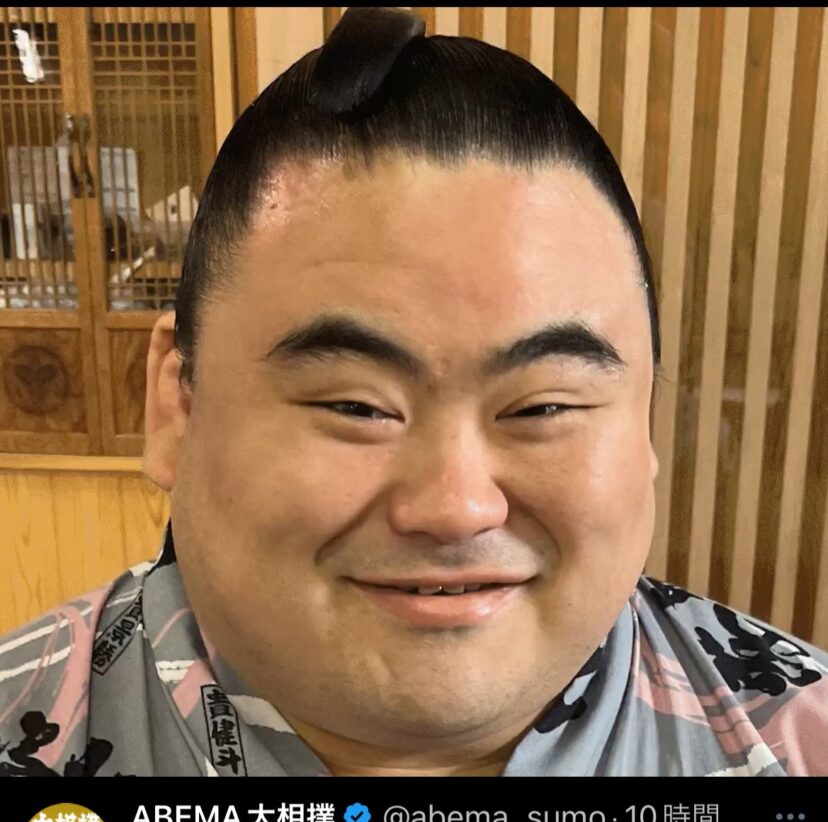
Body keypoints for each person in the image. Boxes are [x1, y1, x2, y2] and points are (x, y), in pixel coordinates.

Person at [1, 7, 826, 778]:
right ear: (177, 405)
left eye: (543, 407)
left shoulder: (797, 737)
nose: (457, 509)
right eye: (355, 406)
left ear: (644, 425)